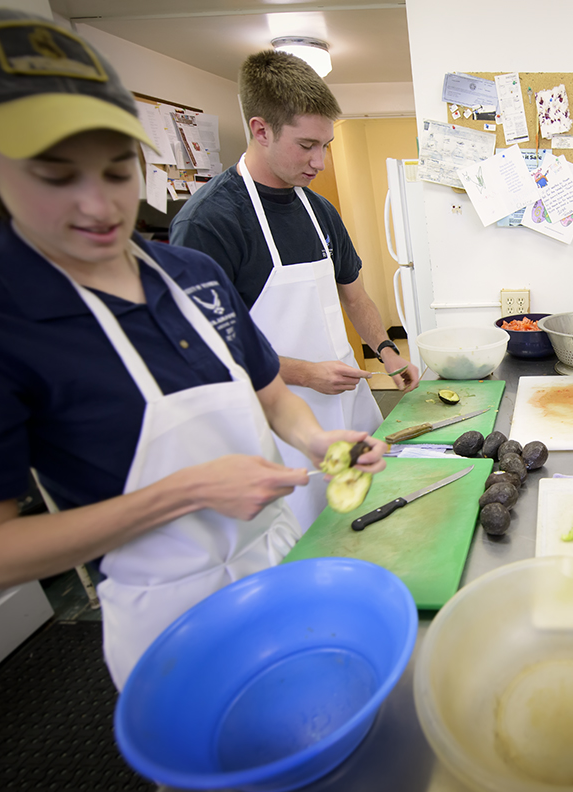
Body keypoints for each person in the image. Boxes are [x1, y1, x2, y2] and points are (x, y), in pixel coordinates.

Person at [0, 8, 386, 690]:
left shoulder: (187, 275)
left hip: (273, 572)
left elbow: (271, 392)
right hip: (168, 621)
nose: (100, 207)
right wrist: (188, 491)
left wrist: (318, 443)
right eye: (56, 176)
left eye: (117, 171)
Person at [170, 49, 418, 529]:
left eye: (325, 145)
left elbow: (354, 295)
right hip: (274, 425)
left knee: (374, 522)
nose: (319, 161)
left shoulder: (319, 210)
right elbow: (199, 350)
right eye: (307, 145)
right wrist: (305, 374)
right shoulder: (209, 223)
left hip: (346, 406)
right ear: (261, 129)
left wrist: (387, 351)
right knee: (304, 540)